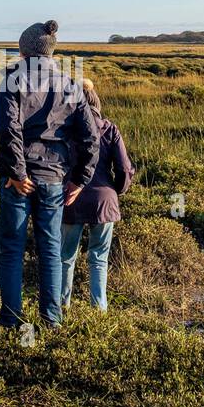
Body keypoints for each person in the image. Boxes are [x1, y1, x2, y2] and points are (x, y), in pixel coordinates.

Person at [0, 20, 100, 330]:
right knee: (51, 249)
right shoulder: (70, 84)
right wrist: (80, 179)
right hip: (54, 177)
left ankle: (11, 322)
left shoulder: (11, 79)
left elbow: (8, 128)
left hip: (18, 179)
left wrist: (16, 172)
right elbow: (90, 137)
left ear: (24, 50)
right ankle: (51, 320)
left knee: (12, 248)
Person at [60, 79, 133, 312]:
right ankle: (99, 311)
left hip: (70, 198)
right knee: (99, 259)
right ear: (95, 101)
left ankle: (61, 308)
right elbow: (123, 168)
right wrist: (116, 191)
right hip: (104, 202)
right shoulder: (109, 128)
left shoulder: (62, 129)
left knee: (65, 257)